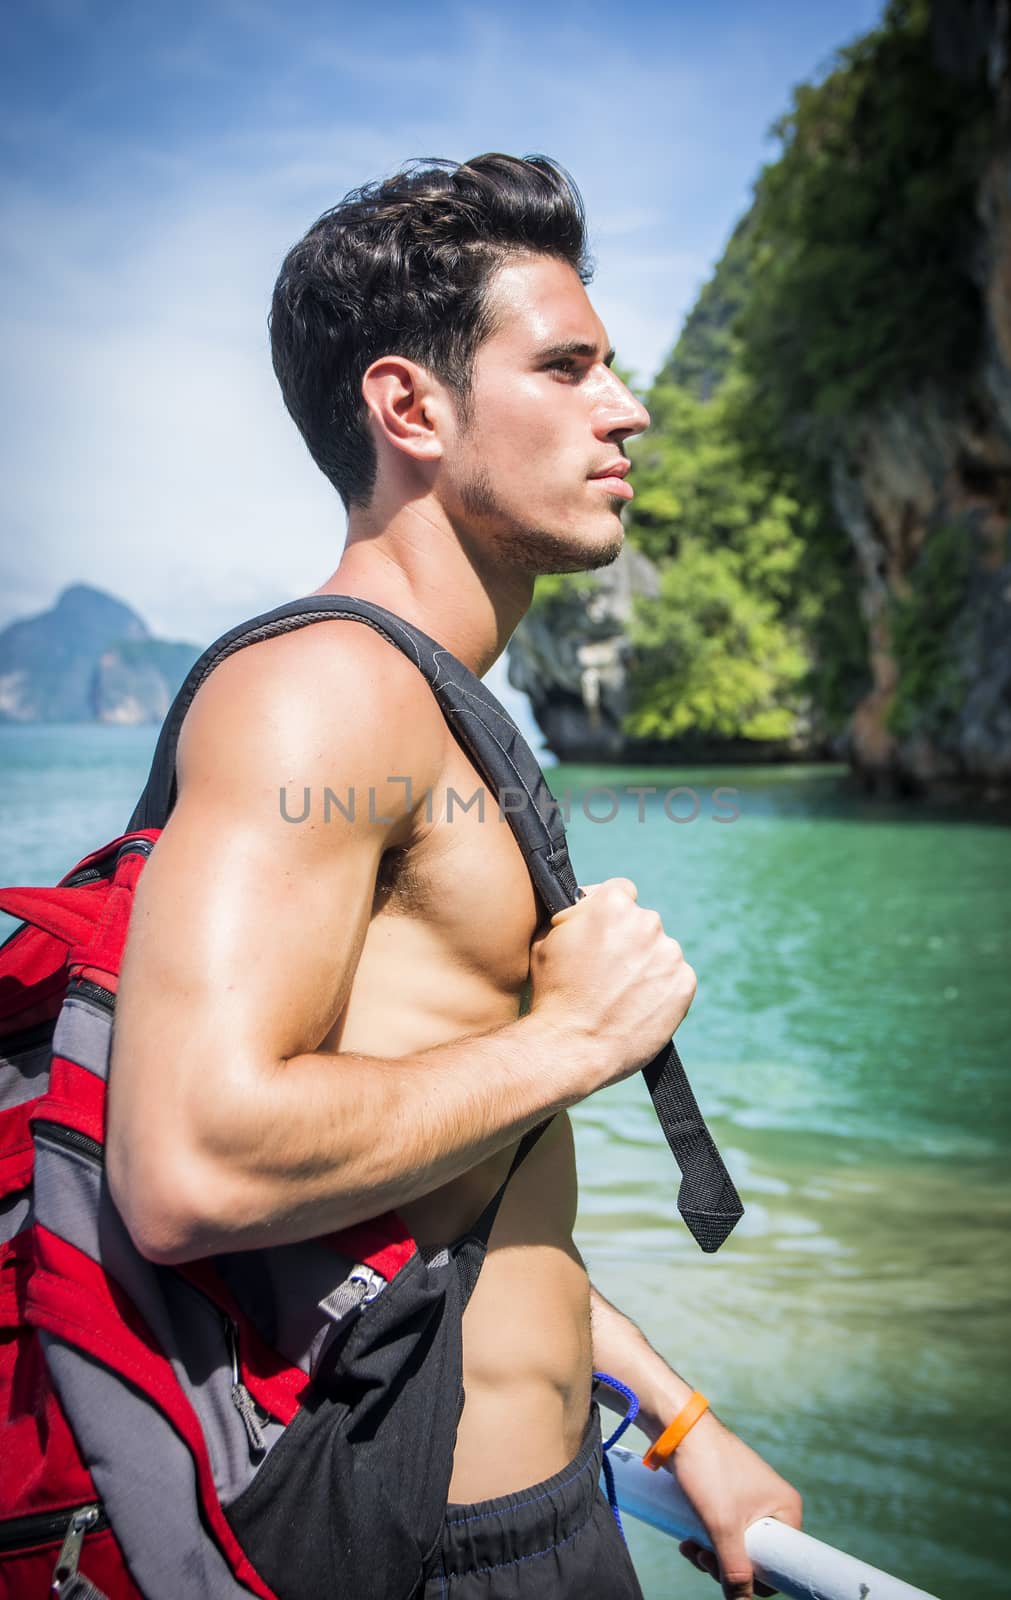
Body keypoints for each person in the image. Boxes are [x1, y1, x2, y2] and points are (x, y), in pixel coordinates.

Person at [107, 153, 802, 1599]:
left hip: (543, 1515)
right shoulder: (321, 696)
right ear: (410, 408)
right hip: (430, 1556)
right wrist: (573, 1041)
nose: (632, 409)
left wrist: (676, 1419)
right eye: (569, 367)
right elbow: (187, 1164)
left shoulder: (439, 706)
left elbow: (453, 1204)